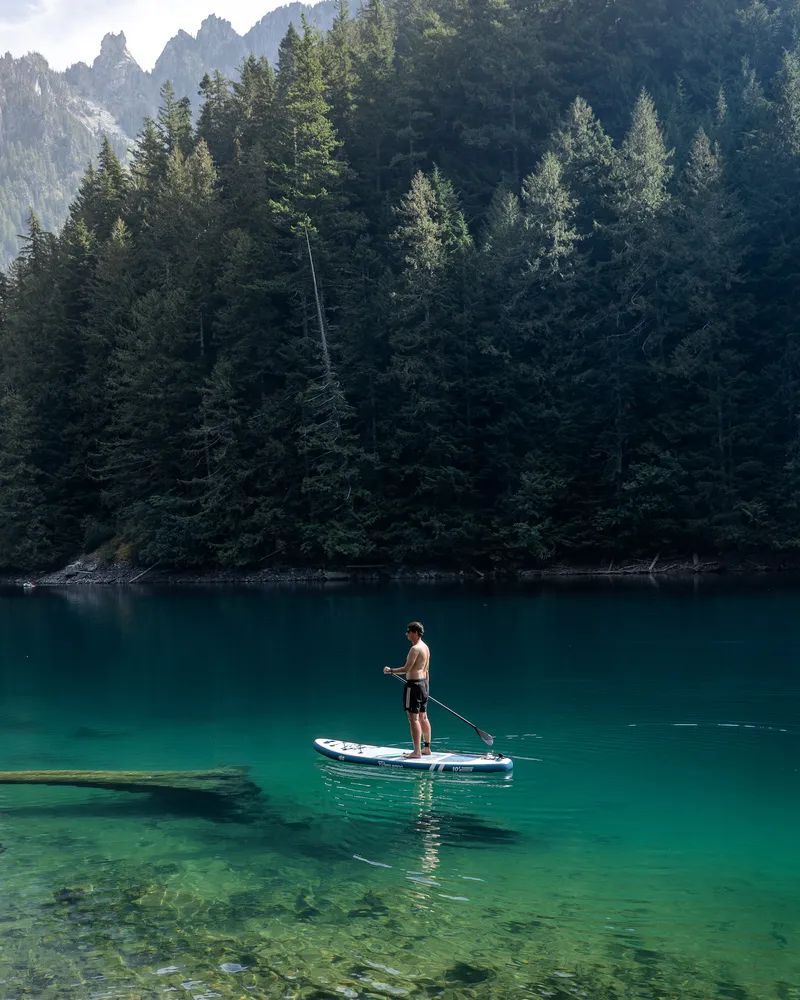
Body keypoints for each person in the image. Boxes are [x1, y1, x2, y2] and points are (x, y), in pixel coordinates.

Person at [384, 621, 431, 758]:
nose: (407, 634)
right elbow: (426, 670)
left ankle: (417, 752)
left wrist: (390, 670)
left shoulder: (415, 649)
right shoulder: (425, 647)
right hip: (424, 684)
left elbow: (406, 669)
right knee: (424, 716)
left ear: (415, 633)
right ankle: (426, 748)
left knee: (413, 719)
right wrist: (425, 687)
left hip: (414, 685)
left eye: (408, 632)